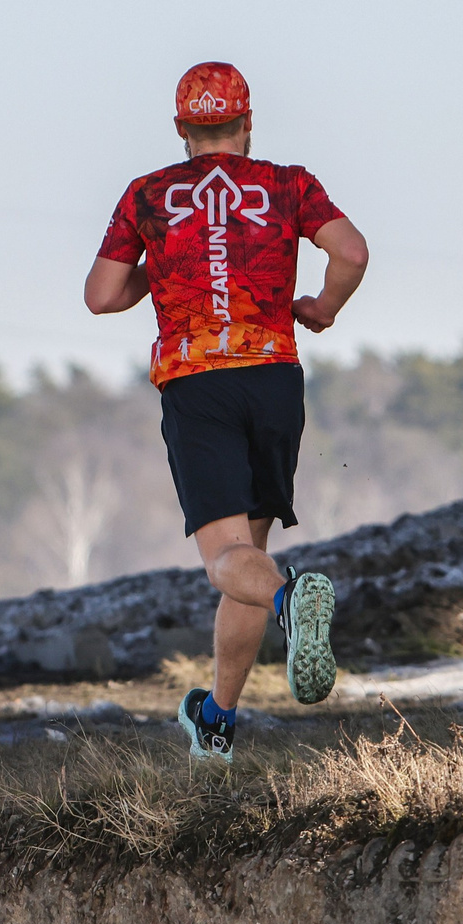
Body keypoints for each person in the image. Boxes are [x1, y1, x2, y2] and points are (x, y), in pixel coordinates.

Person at [83, 62, 370, 762]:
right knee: (250, 554)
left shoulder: (148, 195)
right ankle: (217, 718)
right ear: (247, 125)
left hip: (198, 383)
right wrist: (323, 307)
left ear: (181, 129)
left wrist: (167, 262)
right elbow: (352, 252)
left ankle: (290, 604)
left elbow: (101, 294)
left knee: (227, 563)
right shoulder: (286, 184)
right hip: (273, 377)